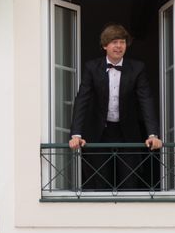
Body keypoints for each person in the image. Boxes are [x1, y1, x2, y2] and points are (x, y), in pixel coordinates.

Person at [68, 24, 162, 190]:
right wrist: (76, 134)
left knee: (130, 180)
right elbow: (82, 99)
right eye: (114, 42)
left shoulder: (137, 68)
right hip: (99, 132)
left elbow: (145, 100)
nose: (119, 46)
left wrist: (153, 134)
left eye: (122, 42)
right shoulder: (92, 67)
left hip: (127, 132)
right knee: (99, 182)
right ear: (105, 45)